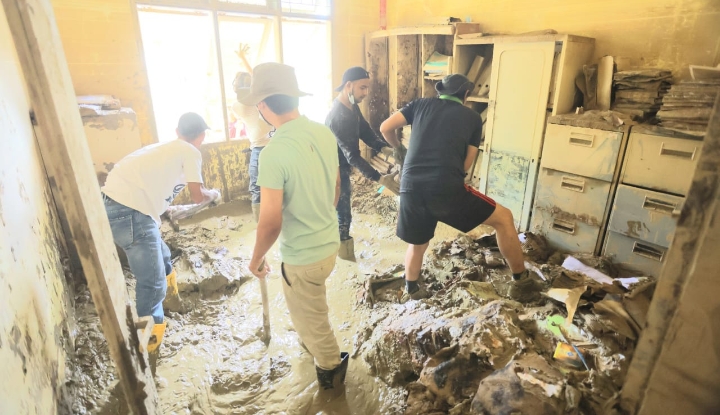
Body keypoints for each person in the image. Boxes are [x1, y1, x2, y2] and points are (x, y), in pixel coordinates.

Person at [379, 74, 542, 303]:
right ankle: (521, 283)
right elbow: (467, 163)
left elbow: (385, 127)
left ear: (440, 91)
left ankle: (412, 290)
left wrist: (399, 148)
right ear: (465, 94)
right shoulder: (473, 117)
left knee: (418, 243)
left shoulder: (419, 105)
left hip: (410, 186)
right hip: (445, 186)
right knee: (504, 218)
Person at [243, 63, 349, 391]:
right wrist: (319, 216)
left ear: (262, 106)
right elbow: (336, 187)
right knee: (313, 306)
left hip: (302, 259)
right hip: (329, 244)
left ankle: (331, 376)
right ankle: (313, 345)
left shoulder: (273, 153)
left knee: (314, 324)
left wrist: (256, 258)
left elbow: (270, 222)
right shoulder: (322, 132)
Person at [102, 112, 221, 352]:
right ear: (201, 136)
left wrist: (164, 210)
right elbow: (197, 195)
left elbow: (152, 187)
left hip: (115, 205)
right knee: (152, 283)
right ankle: (149, 348)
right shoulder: (190, 151)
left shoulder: (163, 149)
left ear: (177, 132)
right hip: (131, 212)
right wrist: (212, 195)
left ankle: (172, 303)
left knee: (164, 257)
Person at [325, 66, 402, 262]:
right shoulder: (339, 116)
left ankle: (339, 246)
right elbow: (353, 156)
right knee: (342, 210)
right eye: (362, 88)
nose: (366, 93)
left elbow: (366, 132)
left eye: (367, 88)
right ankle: (344, 256)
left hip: (342, 162)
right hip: (332, 166)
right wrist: (380, 179)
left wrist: (386, 149)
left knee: (341, 207)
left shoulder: (352, 106)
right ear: (348, 85)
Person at [230, 43, 274, 222]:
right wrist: (244, 59)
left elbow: (256, 79)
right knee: (273, 185)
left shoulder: (237, 106)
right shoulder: (262, 99)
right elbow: (257, 78)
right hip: (271, 146)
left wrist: (243, 60)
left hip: (260, 148)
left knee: (257, 188)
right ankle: (272, 222)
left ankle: (261, 225)